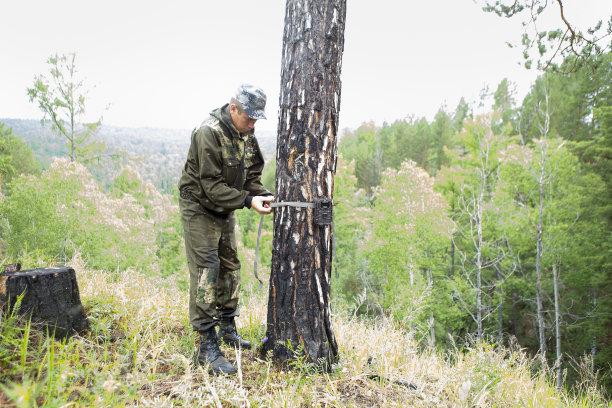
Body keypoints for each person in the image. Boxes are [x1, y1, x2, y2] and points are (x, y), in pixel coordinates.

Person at [178, 84, 274, 375]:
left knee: (230, 265)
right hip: (200, 206)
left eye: (257, 118)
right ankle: (206, 343)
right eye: (249, 117)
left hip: (224, 207)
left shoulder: (247, 132)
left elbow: (252, 173)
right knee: (208, 268)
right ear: (234, 109)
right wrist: (247, 200)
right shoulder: (208, 132)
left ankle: (226, 326)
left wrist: (263, 194)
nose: (253, 123)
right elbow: (210, 186)